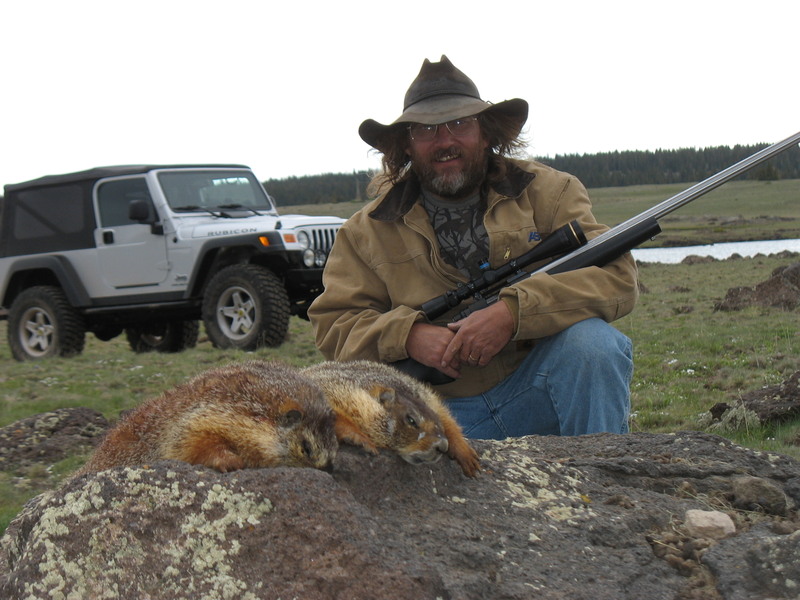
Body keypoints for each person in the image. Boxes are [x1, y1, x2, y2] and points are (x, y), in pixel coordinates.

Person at [308, 56, 638, 440]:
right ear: (407, 145)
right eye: (426, 129)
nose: (445, 140)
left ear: (486, 132)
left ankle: (603, 481)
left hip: (539, 390)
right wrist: (409, 336)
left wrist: (513, 313)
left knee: (594, 345)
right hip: (435, 417)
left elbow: (616, 277)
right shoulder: (364, 231)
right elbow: (335, 326)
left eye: (460, 124)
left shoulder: (551, 192)